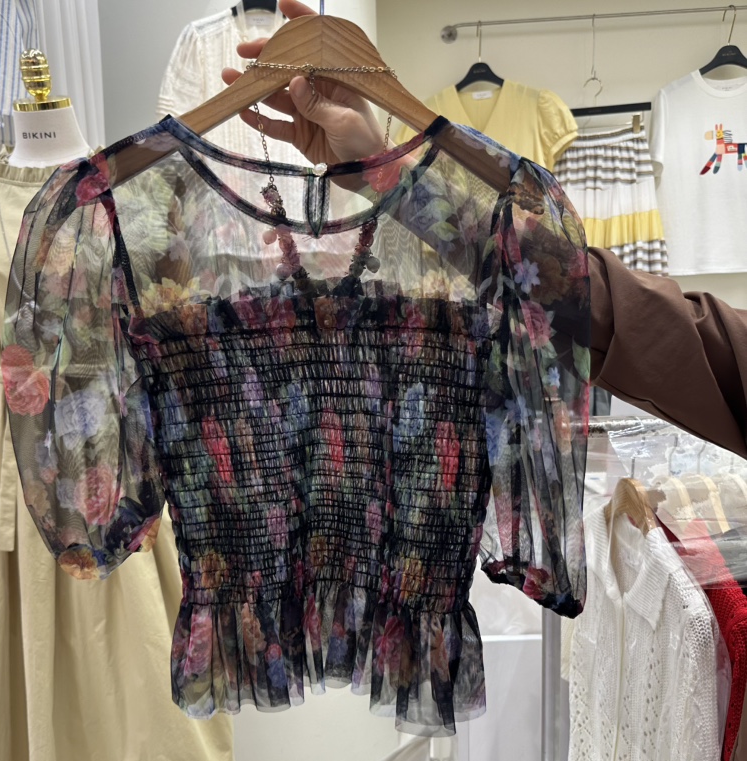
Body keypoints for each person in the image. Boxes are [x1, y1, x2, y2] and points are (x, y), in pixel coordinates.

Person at [222, 0, 747, 459]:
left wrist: (389, 176)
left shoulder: (536, 109)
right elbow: (622, 316)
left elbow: (619, 318)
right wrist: (385, 172)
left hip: (519, 354)